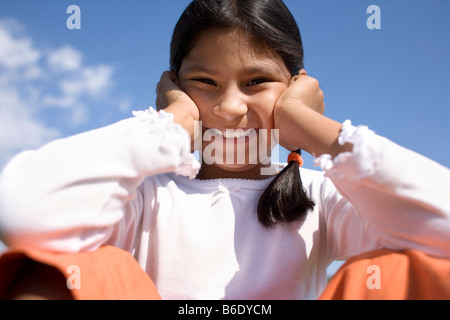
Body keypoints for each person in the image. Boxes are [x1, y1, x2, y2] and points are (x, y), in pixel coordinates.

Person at [0, 0, 450, 300]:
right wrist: (169, 126)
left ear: (297, 87)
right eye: (204, 83)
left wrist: (313, 131)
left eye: (257, 82)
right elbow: (22, 213)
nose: (230, 107)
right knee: (60, 268)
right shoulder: (145, 194)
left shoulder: (324, 198)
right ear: (172, 87)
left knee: (404, 270)